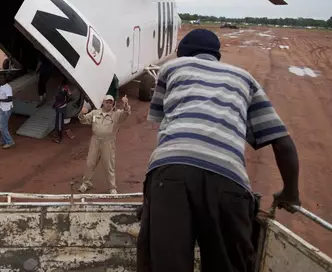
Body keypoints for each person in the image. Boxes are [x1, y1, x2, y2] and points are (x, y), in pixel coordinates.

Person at [137, 29, 300, 272]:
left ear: (183, 54)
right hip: (228, 181)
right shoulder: (245, 79)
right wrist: (290, 193)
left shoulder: (173, 68)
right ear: (217, 56)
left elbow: (166, 128)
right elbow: (283, 143)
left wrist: (153, 203)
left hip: (170, 174)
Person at [77, 95, 131, 194]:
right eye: (107, 102)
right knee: (90, 163)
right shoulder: (95, 113)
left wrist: (126, 104)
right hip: (95, 141)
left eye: (111, 102)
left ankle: (112, 187)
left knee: (109, 165)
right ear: (103, 102)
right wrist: (81, 113)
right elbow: (84, 120)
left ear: (113, 104)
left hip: (108, 142)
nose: (109, 104)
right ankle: (86, 183)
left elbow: (126, 113)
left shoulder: (116, 115)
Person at [0, 74, 15, 149]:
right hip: (2, 108)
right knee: (4, 126)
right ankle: (3, 140)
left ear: (5, 79)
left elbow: (10, 98)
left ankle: (10, 142)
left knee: (1, 126)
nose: (0, 80)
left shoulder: (8, 87)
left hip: (6, 109)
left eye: (2, 78)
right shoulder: (1, 86)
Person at [52, 78, 71, 144]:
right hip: (63, 107)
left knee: (59, 123)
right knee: (60, 121)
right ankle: (57, 134)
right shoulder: (66, 89)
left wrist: (55, 105)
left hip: (60, 108)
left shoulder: (61, 91)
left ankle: (60, 138)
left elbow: (59, 100)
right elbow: (69, 96)